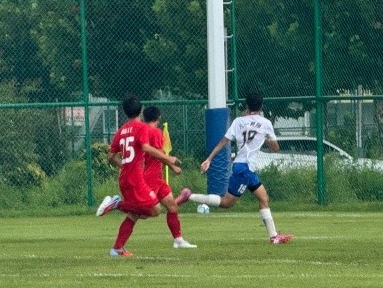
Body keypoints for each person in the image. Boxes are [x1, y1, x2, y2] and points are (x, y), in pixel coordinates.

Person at [186, 91, 294, 244]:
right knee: (227, 203)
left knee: (263, 198)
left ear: (247, 105)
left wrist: (209, 159)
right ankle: (190, 196)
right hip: (245, 169)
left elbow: (223, 142)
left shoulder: (238, 121)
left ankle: (274, 236)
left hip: (242, 167)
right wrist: (265, 139)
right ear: (261, 106)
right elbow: (276, 148)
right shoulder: (265, 123)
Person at [95, 95, 183, 257]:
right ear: (141, 110)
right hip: (136, 179)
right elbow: (146, 148)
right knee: (155, 209)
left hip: (124, 178)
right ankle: (117, 204)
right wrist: (169, 159)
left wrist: (123, 166)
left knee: (135, 213)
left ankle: (117, 248)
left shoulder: (121, 131)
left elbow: (110, 156)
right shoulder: (141, 128)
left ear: (125, 112)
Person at [141, 105, 196, 248]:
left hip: (156, 177)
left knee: (172, 207)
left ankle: (178, 240)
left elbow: (158, 155)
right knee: (146, 212)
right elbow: (160, 154)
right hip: (151, 177)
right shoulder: (155, 132)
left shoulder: (142, 130)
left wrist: (171, 166)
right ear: (158, 117)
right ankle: (119, 205)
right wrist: (172, 165)